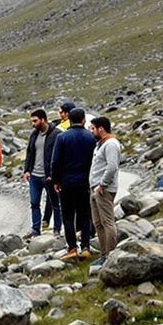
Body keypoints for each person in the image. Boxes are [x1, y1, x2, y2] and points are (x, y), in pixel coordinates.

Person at [49, 108, 98, 259]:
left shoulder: (62, 137)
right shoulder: (90, 138)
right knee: (84, 216)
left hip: (66, 182)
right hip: (84, 182)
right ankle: (85, 247)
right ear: (83, 120)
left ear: (69, 120)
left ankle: (72, 248)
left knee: (68, 216)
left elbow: (55, 161)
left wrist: (56, 180)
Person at [89, 116, 121, 264]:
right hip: (95, 188)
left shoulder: (111, 144)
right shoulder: (100, 144)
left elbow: (112, 166)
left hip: (104, 189)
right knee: (98, 223)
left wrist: (102, 184)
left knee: (107, 222)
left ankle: (111, 255)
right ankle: (103, 254)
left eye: (93, 129)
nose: (91, 132)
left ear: (101, 128)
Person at [23, 110, 59, 236]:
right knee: (34, 202)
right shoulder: (34, 134)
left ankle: (57, 229)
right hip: (34, 176)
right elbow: (29, 153)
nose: (33, 124)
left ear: (43, 119)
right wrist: (27, 170)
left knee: (55, 203)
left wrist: (55, 174)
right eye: (32, 121)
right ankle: (36, 229)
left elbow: (60, 156)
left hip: (49, 176)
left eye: (35, 121)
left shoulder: (56, 134)